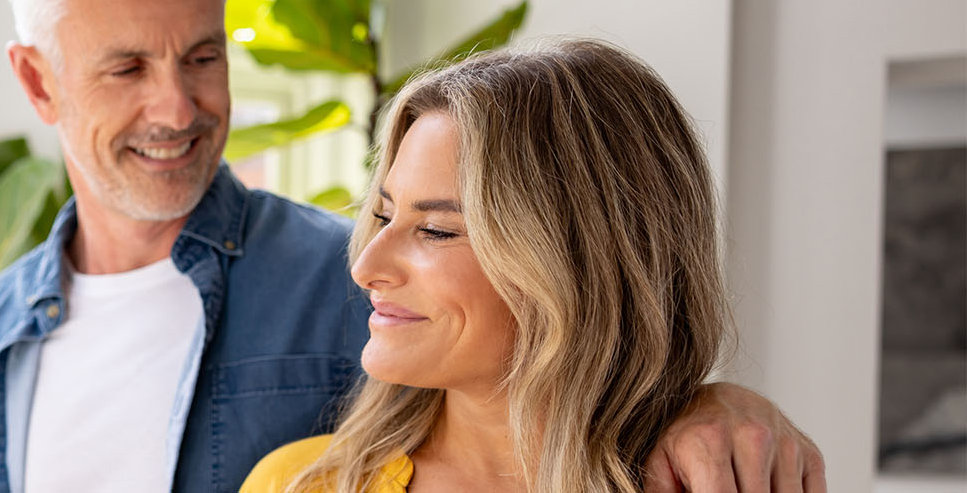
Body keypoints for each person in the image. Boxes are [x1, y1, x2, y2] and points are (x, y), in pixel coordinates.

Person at [0, 0, 823, 491]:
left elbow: (569, 370)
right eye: (126, 69)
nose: (178, 107)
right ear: (38, 80)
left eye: (204, 55)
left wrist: (702, 407)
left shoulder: (344, 283)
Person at [238, 39, 824, 493]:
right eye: (385, 215)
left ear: (578, 265)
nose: (366, 266)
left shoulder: (720, 474)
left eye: (437, 229)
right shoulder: (299, 484)